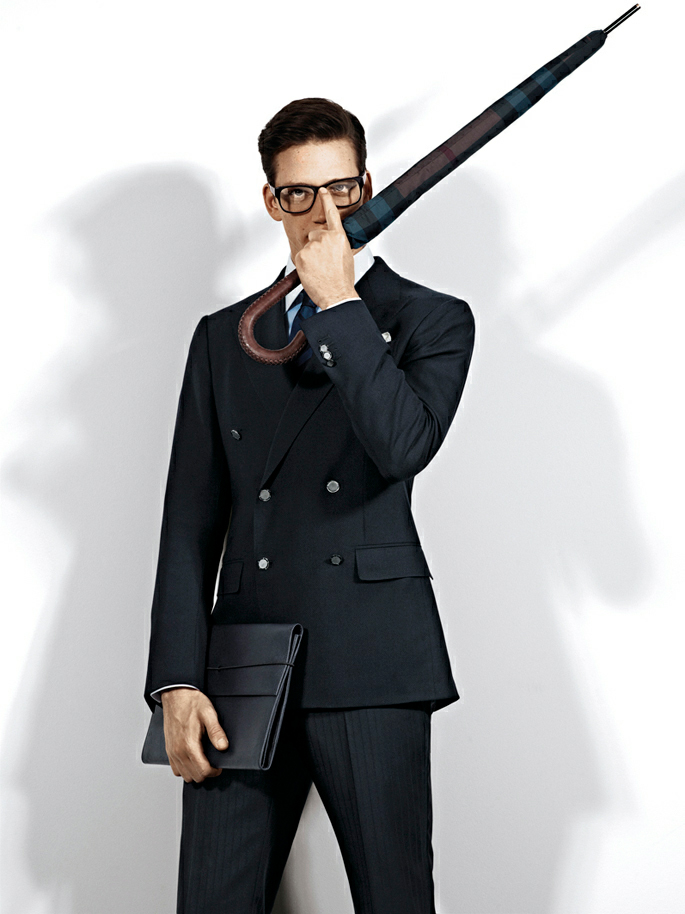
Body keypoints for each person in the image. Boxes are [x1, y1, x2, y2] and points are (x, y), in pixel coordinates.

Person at [144, 97, 476, 914]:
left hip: (372, 657)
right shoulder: (224, 336)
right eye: (299, 193)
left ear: (368, 188)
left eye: (341, 190)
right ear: (271, 200)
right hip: (240, 665)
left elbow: (402, 446)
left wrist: (340, 307)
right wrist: (175, 680)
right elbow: (189, 524)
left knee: (394, 900)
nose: (323, 213)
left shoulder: (430, 319)